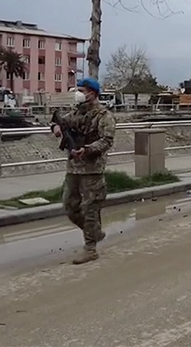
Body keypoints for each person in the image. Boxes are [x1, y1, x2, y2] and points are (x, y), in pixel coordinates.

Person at [51, 77, 116, 264]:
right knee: (70, 206)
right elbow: (60, 123)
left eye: (82, 90)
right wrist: (55, 127)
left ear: (92, 93)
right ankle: (95, 232)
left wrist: (87, 150)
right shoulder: (75, 113)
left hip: (92, 169)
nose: (78, 93)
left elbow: (106, 140)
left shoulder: (104, 116)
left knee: (90, 208)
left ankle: (90, 248)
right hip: (73, 168)